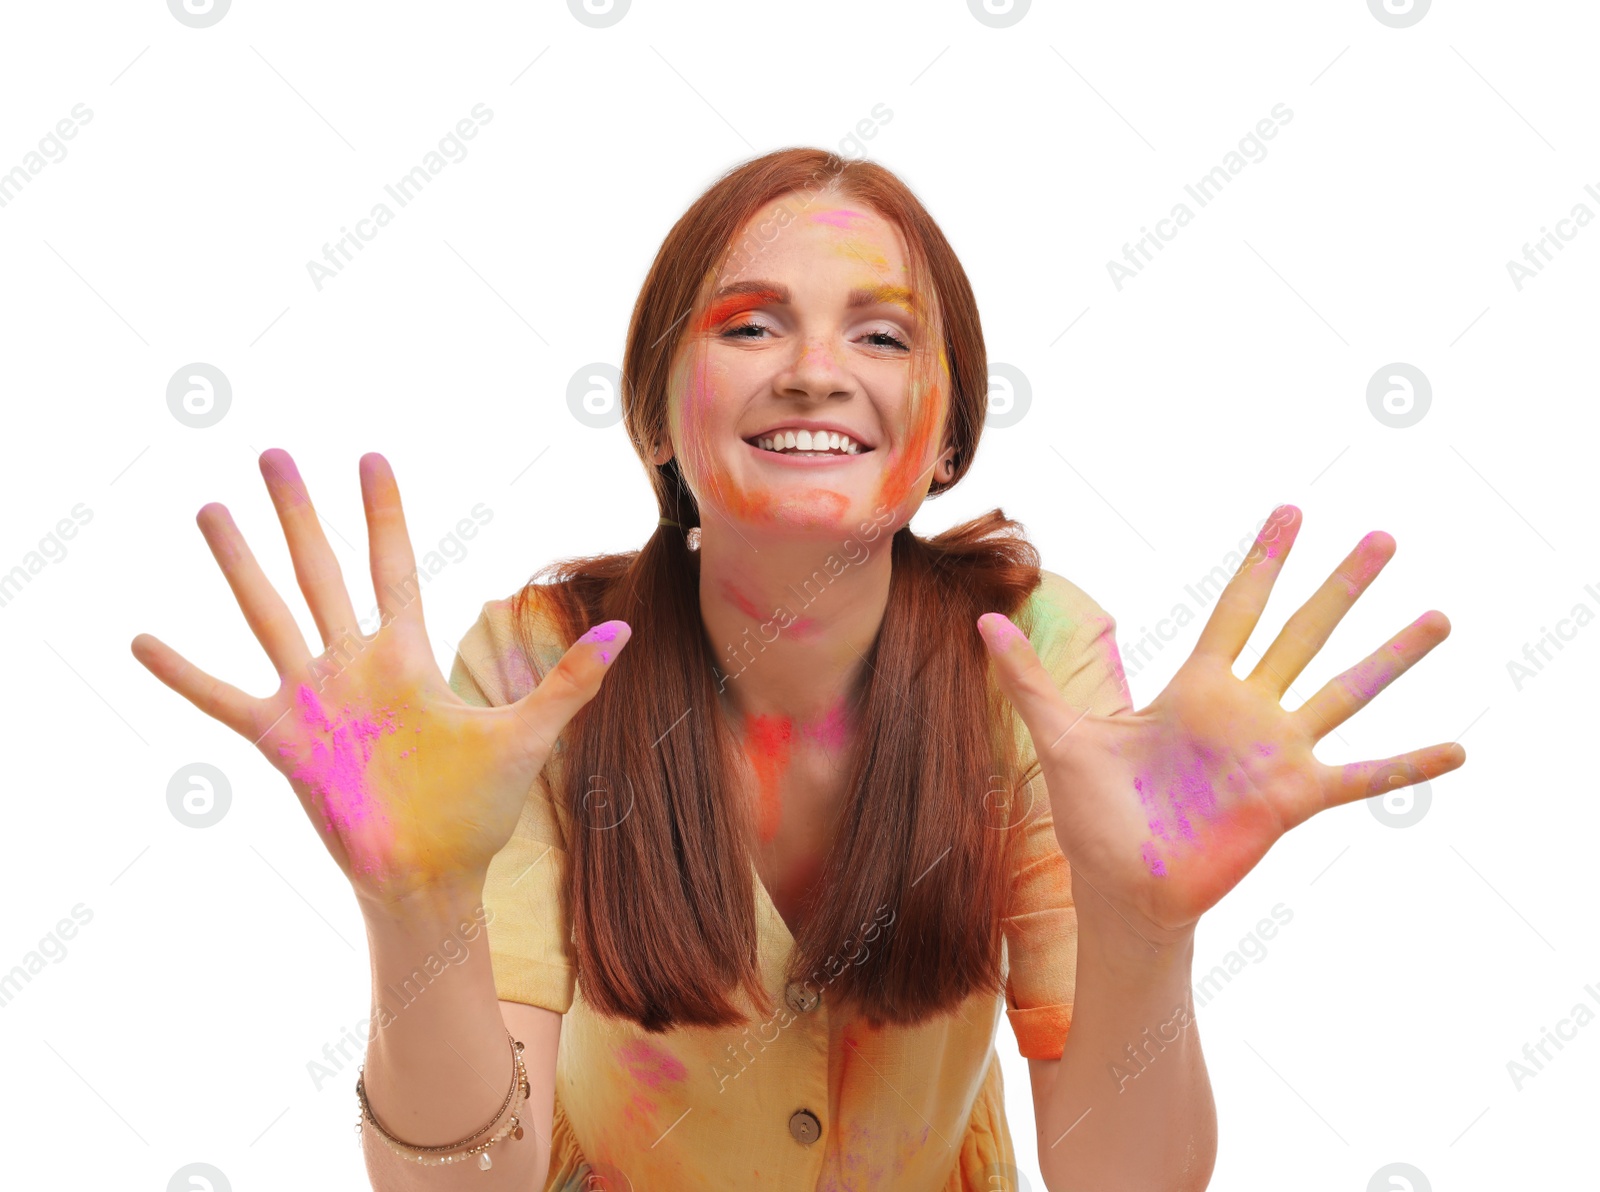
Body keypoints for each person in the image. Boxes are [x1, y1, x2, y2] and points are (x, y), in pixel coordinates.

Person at [131, 147, 1465, 1191]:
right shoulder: (544, 667)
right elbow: (467, 1188)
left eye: (883, 337)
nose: (819, 372)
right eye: (752, 327)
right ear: (657, 412)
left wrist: (1147, 928)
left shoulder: (1037, 663)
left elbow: (1126, 1180)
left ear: (949, 434)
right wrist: (416, 907)